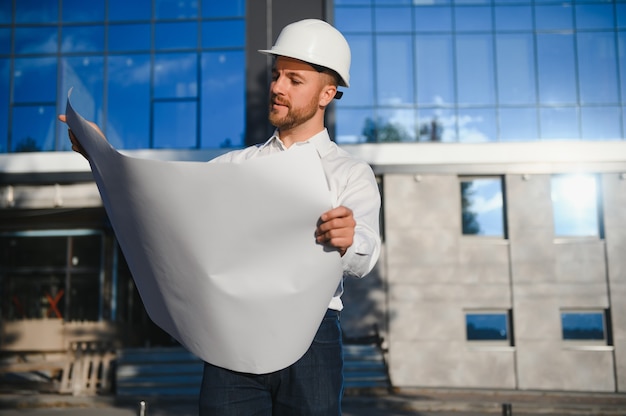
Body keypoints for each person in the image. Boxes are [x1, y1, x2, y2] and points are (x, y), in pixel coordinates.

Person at [60, 18, 381, 416]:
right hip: (232, 335)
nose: (278, 87)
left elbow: (366, 255)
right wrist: (101, 155)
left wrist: (349, 239)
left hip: (312, 339)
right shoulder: (234, 165)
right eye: (277, 75)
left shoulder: (350, 173)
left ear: (327, 93)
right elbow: (162, 206)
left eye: (295, 80)